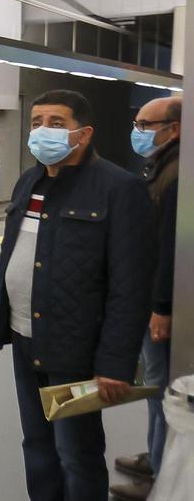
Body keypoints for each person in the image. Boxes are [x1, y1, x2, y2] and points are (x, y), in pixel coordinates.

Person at [0, 90, 155, 501]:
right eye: (37, 122)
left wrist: (115, 361)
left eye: (56, 123)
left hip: (76, 346)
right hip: (25, 337)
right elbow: (11, 256)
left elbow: (131, 286)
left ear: (84, 133)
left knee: (75, 452)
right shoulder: (30, 182)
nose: (43, 131)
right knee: (36, 445)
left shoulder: (119, 189)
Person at [111, 96, 181, 501]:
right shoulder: (164, 164)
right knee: (156, 388)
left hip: (160, 304)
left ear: (175, 129)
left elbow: (169, 248)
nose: (137, 131)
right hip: (151, 298)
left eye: (145, 124)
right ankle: (156, 458)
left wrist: (162, 308)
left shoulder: (176, 173)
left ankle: (161, 474)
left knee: (160, 390)